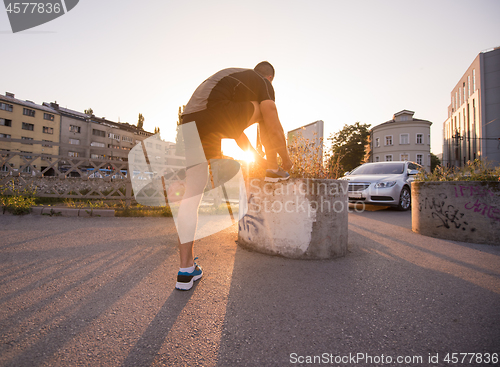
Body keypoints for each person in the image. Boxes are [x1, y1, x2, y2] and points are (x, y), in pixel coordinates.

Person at [173, 61, 292, 290]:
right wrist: (284, 158)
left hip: (189, 121)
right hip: (214, 113)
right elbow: (271, 114)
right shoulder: (261, 81)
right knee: (266, 110)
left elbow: (235, 131)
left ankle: (186, 270)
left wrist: (257, 157)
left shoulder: (235, 82)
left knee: (192, 194)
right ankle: (274, 168)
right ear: (269, 78)